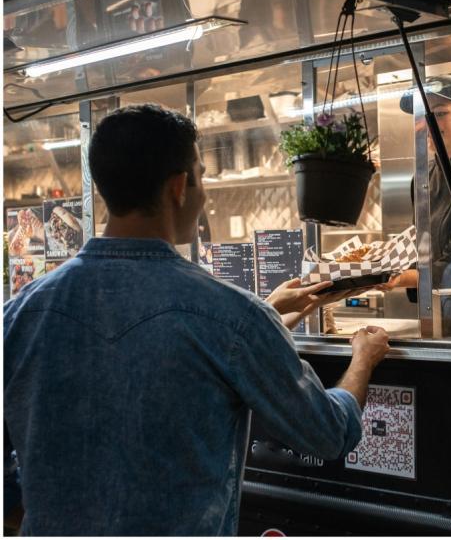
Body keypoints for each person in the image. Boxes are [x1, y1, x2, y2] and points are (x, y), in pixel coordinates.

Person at [3, 103, 391, 535]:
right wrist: (364, 357)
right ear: (179, 187)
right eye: (201, 176)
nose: (203, 192)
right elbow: (327, 434)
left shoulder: (18, 315)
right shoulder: (232, 316)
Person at [380, 76, 451, 335]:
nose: (428, 124)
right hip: (436, 314)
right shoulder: (422, 178)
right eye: (421, 116)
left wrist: (403, 278)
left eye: (440, 113)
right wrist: (385, 265)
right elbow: (419, 247)